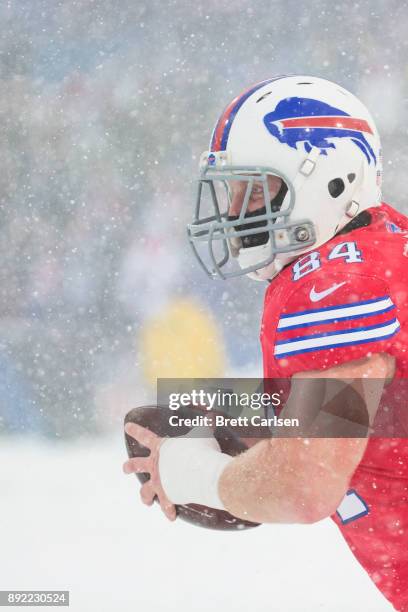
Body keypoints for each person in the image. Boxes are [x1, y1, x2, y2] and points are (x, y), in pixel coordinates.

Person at [123, 75, 408, 611]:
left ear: (329, 180)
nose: (234, 214)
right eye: (231, 192)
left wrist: (195, 474)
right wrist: (220, 408)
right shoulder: (384, 248)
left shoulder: (338, 287)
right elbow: (372, 411)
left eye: (254, 191)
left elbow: (306, 484)